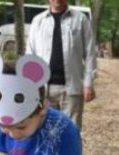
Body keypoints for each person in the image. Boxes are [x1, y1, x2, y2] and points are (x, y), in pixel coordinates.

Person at [27, 0, 97, 128]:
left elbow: (90, 53)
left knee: (71, 132)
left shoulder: (81, 20)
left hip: (72, 90)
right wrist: (31, 85)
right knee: (46, 133)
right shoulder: (38, 21)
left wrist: (88, 84)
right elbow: (30, 55)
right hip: (44, 90)